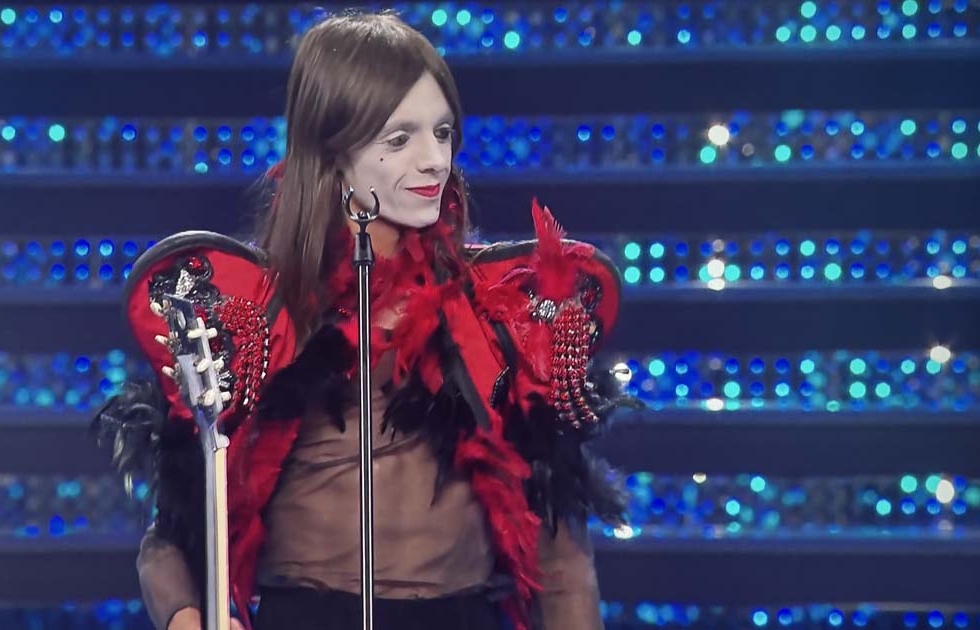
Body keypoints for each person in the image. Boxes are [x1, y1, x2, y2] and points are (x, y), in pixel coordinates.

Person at [92, 10, 638, 630]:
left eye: (443, 132)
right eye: (400, 139)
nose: (434, 160)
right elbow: (171, 536)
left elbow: (562, 558)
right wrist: (188, 619)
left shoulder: (504, 317)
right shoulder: (246, 321)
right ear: (331, 148)